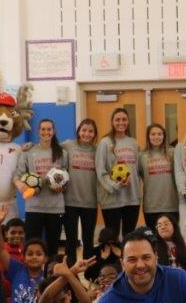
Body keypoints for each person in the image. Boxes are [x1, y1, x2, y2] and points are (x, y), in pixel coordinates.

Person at [15, 117, 69, 257]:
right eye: (43, 129)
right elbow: (17, 176)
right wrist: (22, 186)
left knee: (52, 248)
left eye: (49, 129)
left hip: (55, 207)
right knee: (32, 247)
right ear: (38, 132)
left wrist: (62, 187)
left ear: (54, 131)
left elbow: (66, 178)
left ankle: (51, 275)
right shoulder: (28, 151)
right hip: (34, 206)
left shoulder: (62, 153)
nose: (46, 132)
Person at [96, 107, 142, 240]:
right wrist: (116, 185)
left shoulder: (133, 143)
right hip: (112, 199)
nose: (121, 122)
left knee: (129, 237)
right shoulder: (105, 143)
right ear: (112, 122)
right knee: (112, 238)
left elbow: (137, 170)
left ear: (128, 122)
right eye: (117, 120)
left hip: (132, 198)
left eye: (124, 119)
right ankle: (113, 262)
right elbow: (101, 171)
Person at [0, 205, 48, 303]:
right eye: (30, 254)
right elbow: (0, 250)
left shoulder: (48, 277)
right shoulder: (17, 270)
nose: (34, 257)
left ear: (45, 258)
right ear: (24, 257)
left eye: (38, 254)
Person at [61, 118, 100, 263]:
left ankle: (89, 273)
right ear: (78, 131)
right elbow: (49, 147)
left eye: (90, 131)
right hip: (70, 201)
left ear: (95, 134)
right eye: (84, 130)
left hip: (90, 202)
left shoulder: (97, 150)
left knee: (88, 239)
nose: (87, 134)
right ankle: (70, 273)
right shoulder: (68, 145)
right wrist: (30, 146)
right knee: (71, 240)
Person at [139, 123, 179, 227]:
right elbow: (139, 176)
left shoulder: (172, 153)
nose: (156, 137)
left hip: (171, 204)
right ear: (148, 136)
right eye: (153, 134)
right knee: (154, 238)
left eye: (159, 134)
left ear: (164, 136)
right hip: (151, 206)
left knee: (171, 239)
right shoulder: (142, 156)